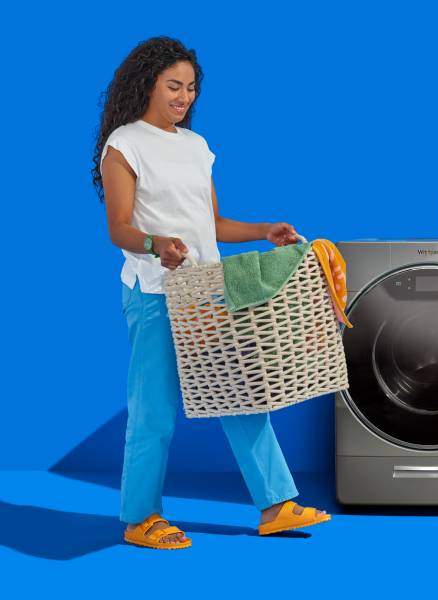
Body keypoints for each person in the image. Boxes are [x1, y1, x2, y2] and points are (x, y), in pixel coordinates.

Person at [92, 36, 329, 549]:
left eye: (191, 88)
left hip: (206, 293)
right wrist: (157, 245)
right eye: (173, 86)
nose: (184, 97)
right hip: (155, 291)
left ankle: (276, 506)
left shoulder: (197, 147)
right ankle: (140, 519)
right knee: (153, 409)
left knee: (241, 394)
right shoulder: (124, 144)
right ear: (146, 85)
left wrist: (266, 229)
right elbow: (119, 228)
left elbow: (213, 223)